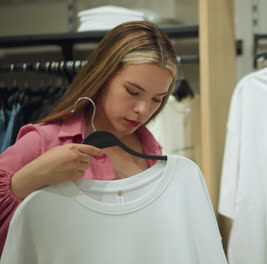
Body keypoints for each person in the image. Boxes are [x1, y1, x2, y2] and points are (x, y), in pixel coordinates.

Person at [0, 21, 177, 255]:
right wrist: (27, 180)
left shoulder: (152, 150)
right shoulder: (44, 140)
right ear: (102, 77)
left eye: (157, 99)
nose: (143, 109)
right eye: (133, 92)